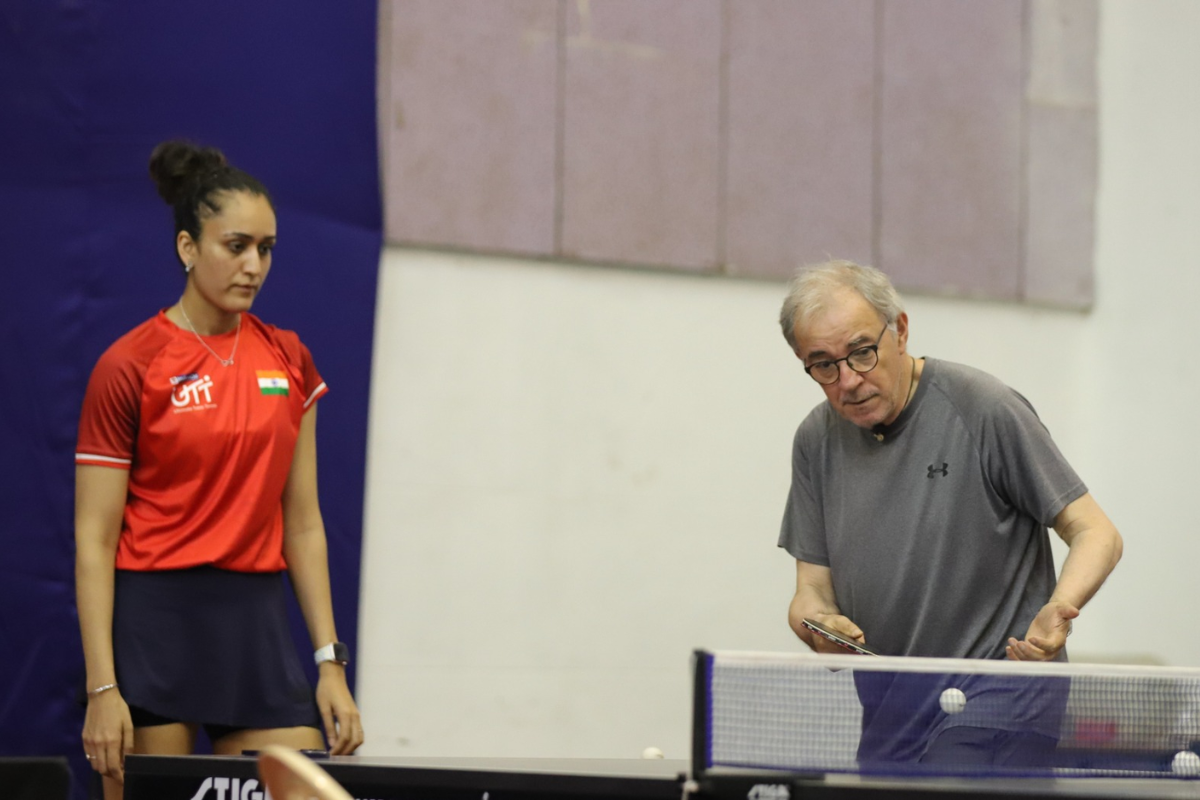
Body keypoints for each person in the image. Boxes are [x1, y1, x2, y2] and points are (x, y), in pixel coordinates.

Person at [74, 140, 364, 798]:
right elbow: (94, 538)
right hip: (154, 622)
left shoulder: (290, 360)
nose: (254, 265)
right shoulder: (131, 364)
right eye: (235, 245)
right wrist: (102, 688)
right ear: (186, 248)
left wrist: (330, 665)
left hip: (253, 622)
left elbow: (305, 524)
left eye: (266, 248)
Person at [777, 260, 1122, 769]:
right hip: (892, 711)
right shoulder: (815, 441)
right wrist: (817, 625)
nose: (848, 380)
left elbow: (1097, 531)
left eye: (862, 353)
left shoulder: (983, 408)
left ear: (900, 330)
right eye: (823, 364)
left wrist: (1059, 607)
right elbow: (810, 589)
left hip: (1001, 697)